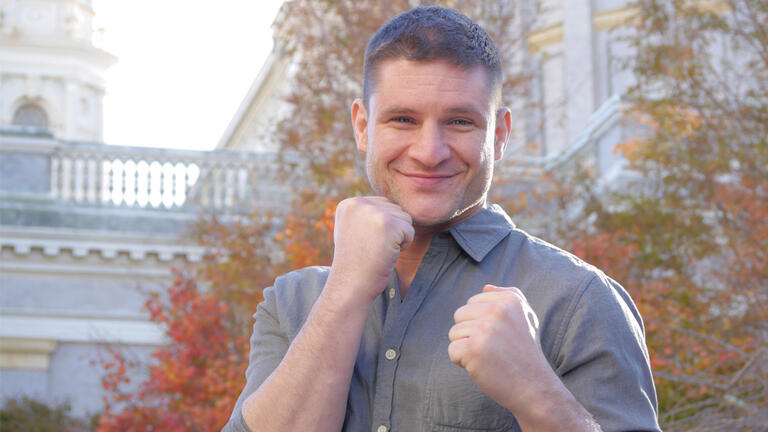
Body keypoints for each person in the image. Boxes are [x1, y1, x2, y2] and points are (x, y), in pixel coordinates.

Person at [223, 6, 660, 432]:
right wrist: (345, 290)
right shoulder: (292, 303)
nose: (429, 152)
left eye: (459, 121)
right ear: (362, 126)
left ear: (500, 134)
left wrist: (537, 393)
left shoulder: (579, 300)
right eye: (402, 120)